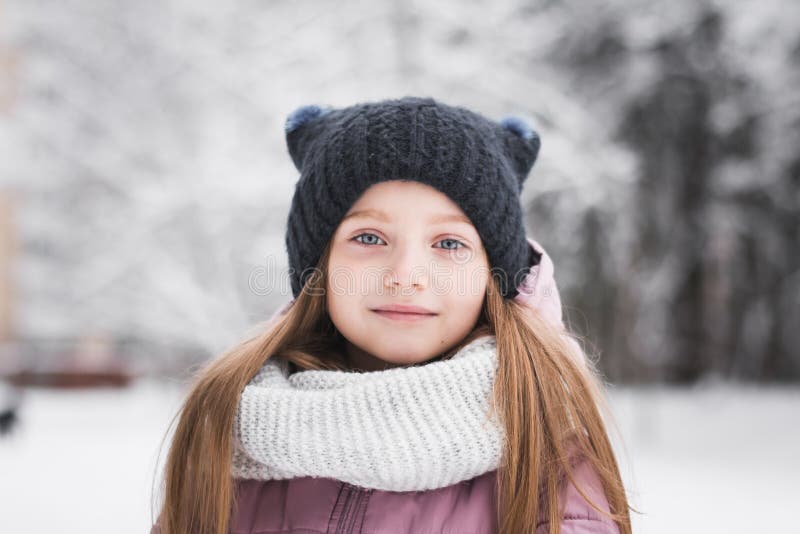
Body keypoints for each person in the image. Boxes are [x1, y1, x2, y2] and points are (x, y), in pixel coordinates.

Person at [150, 96, 633, 533]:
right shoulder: (230, 430)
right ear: (318, 266)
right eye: (368, 239)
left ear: (494, 275)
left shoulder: (544, 447)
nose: (405, 276)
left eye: (448, 244)